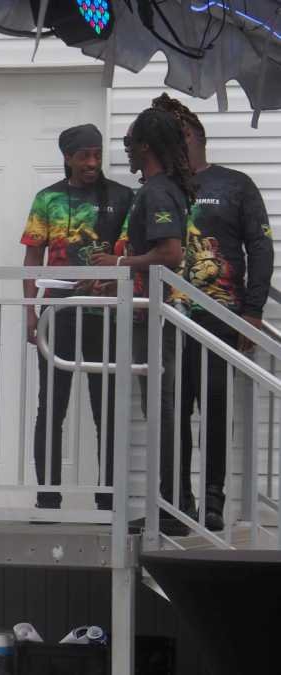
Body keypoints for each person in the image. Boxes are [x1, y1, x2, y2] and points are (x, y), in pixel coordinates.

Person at [151, 94, 274, 531]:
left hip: (221, 316)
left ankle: (214, 501)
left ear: (192, 136)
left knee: (217, 408)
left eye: (177, 135)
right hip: (168, 316)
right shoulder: (160, 188)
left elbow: (260, 247)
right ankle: (176, 501)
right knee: (173, 411)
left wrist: (253, 311)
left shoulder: (234, 185)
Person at [93, 108, 196, 533]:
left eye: (129, 143)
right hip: (149, 312)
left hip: (157, 317)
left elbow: (170, 253)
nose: (127, 151)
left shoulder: (158, 192)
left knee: (163, 409)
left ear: (146, 146)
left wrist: (119, 262)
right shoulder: (158, 188)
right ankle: (173, 505)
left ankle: (171, 510)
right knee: (162, 409)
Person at [21, 124, 133, 511]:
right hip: (58, 312)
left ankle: (109, 501)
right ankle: (48, 498)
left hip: (106, 313)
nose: (92, 162)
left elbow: (130, 250)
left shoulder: (123, 196)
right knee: (51, 405)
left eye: (97, 154)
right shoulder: (47, 198)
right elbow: (32, 256)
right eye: (84, 155)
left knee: (107, 407)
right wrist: (30, 310)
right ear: (67, 157)